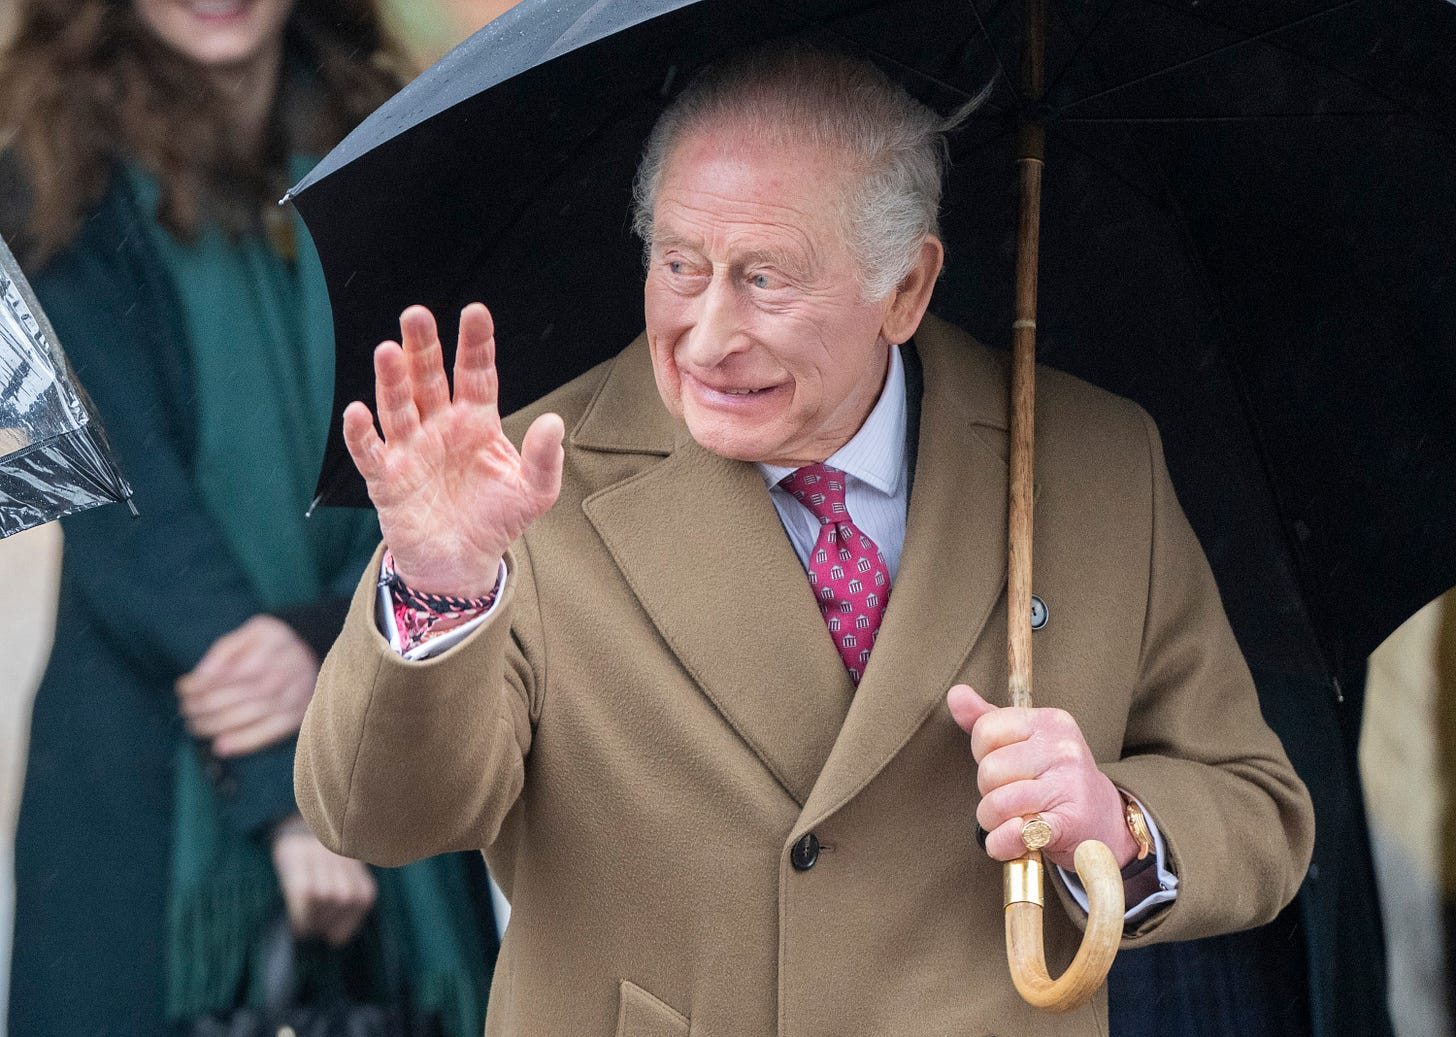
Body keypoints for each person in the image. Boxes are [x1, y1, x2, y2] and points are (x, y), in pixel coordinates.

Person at [296, 46, 1315, 1035]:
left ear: (905, 288)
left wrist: (1114, 822)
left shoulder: (1091, 463)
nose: (707, 337)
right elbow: (378, 817)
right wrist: (440, 585)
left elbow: (1258, 806)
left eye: (766, 279)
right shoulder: (522, 485)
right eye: (680, 265)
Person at [1, 2, 494, 1034]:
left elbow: (438, 446)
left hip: (380, 713)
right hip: (146, 750)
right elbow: (121, 501)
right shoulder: (45, 179)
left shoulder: (397, 149)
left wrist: (334, 640)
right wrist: (289, 793)